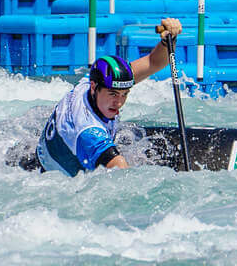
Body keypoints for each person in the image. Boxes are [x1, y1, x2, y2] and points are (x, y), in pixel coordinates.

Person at [36, 18, 183, 175]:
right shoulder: (89, 131)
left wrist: (168, 42)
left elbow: (153, 62)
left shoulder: (89, 83)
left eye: (124, 94)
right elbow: (123, 175)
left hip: (52, 152)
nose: (119, 102)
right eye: (113, 94)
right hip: (52, 181)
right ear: (94, 87)